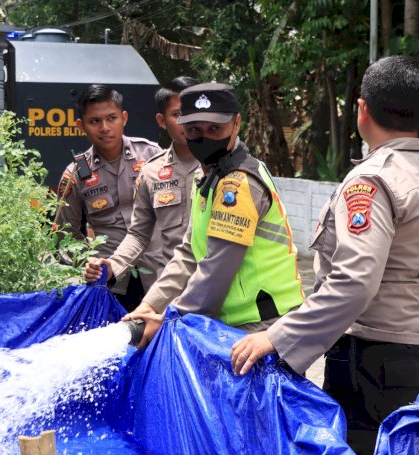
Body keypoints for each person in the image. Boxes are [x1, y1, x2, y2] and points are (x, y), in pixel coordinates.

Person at [230, 55, 419, 455]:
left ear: (361, 109)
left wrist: (279, 337)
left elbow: (354, 281)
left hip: (375, 363)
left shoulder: (372, 180)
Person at [124, 82, 306, 345]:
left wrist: (167, 320)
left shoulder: (238, 184)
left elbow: (215, 273)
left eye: (215, 128)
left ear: (236, 124)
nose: (205, 137)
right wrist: (149, 305)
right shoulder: (208, 175)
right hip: (235, 324)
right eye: (195, 129)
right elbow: (188, 253)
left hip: (262, 327)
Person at [83, 76, 200, 291]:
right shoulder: (153, 170)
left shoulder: (228, 166)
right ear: (162, 121)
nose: (188, 121)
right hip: (167, 288)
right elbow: (139, 233)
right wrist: (110, 266)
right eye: (177, 114)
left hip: (216, 286)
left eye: (194, 113)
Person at [54, 84, 162, 311]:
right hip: (112, 284)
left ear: (124, 118)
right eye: (95, 121)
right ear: (80, 126)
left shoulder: (152, 156)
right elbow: (64, 237)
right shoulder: (76, 174)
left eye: (111, 118)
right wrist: (88, 264)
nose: (104, 128)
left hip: (160, 274)